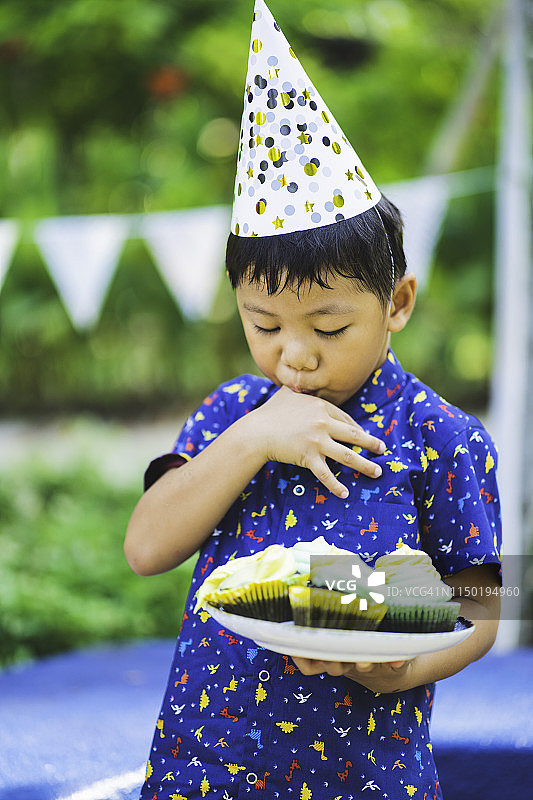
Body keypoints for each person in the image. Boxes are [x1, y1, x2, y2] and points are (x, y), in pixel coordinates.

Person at [125, 2, 501, 797]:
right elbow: (146, 548)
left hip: (362, 775)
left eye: (328, 327)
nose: (293, 354)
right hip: (205, 765)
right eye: (263, 325)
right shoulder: (231, 410)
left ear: (396, 303)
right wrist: (252, 437)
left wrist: (398, 669)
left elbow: (483, 613)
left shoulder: (440, 434)